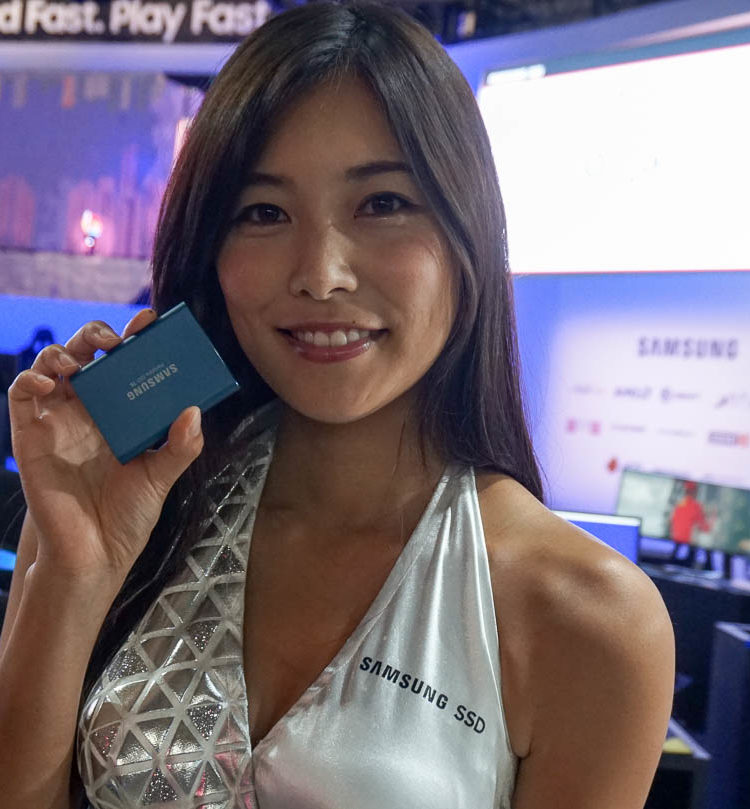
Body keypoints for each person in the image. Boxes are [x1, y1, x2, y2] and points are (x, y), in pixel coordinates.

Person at [0, 4, 674, 808]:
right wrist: (72, 575)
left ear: (469, 231)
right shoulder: (129, 506)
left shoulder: (586, 616)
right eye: (264, 212)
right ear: (212, 250)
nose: (321, 274)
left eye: (383, 203)